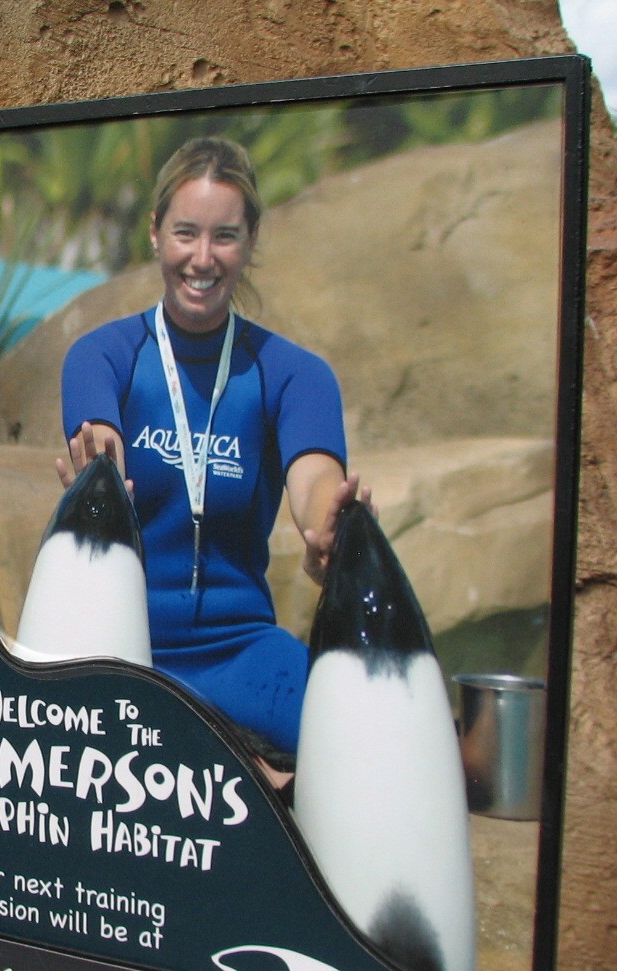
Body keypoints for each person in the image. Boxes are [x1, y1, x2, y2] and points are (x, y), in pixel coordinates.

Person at [57, 136, 370, 770]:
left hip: (242, 651)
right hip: (123, 651)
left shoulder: (292, 374)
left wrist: (327, 527)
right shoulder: (103, 354)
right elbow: (98, 431)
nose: (203, 258)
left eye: (224, 236)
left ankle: (255, 777)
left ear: (250, 240)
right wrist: (101, 470)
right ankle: (250, 775)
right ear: (154, 233)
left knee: (361, 744)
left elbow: (315, 478)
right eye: (185, 233)